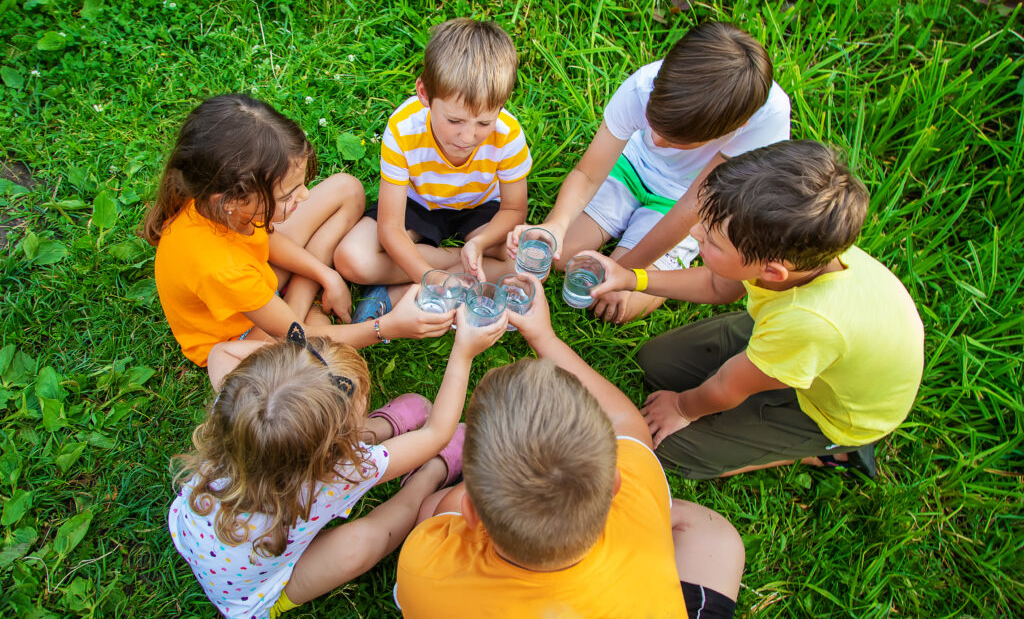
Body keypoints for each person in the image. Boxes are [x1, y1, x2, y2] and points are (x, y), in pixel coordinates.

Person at [395, 276, 746, 618]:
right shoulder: (637, 500)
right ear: (614, 485)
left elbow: (442, 526)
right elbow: (627, 424)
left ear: (473, 512)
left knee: (433, 509)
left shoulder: (425, 570)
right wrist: (544, 337)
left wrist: (454, 502)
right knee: (715, 535)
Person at [585, 140, 925, 479]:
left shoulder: (807, 321)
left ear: (771, 272)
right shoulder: (801, 248)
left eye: (712, 240)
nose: (694, 231)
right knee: (655, 363)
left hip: (832, 407)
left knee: (672, 449)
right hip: (805, 341)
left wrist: (681, 407)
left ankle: (834, 454)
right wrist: (632, 278)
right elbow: (718, 285)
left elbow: (727, 389)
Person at [168, 314, 506, 619]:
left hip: (194, 532)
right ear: (334, 454)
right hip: (253, 596)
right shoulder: (338, 476)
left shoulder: (239, 409)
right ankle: (427, 476)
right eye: (355, 418)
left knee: (302, 428)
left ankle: (376, 429)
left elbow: (219, 354)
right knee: (363, 543)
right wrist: (462, 353)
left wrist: (293, 369)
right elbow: (436, 434)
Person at [143, 94, 452, 386]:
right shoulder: (222, 268)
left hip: (255, 286)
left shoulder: (216, 202)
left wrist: (326, 274)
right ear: (232, 200)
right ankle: (309, 302)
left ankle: (304, 295)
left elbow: (265, 242)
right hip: (240, 338)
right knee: (325, 362)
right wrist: (386, 328)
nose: (304, 196)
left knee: (347, 189)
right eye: (287, 194)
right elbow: (299, 335)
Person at [508, 21, 790, 324]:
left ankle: (654, 270)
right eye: (654, 126)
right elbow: (589, 172)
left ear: (735, 130)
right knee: (560, 257)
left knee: (614, 305)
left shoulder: (766, 121)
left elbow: (690, 208)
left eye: (675, 141)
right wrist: (556, 225)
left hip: (685, 199)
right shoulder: (643, 86)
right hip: (630, 167)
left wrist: (627, 274)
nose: (656, 140)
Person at [334, 18, 531, 321]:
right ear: (424, 94)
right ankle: (458, 269)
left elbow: (514, 209)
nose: (468, 137)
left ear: (502, 105)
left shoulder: (509, 134)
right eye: (454, 121)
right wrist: (431, 278)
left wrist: (478, 243)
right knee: (350, 258)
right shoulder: (403, 128)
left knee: (524, 264)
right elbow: (390, 229)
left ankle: (394, 287)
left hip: (479, 208)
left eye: (484, 123)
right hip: (418, 203)